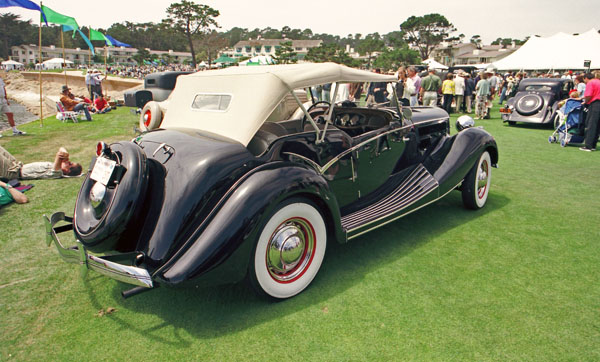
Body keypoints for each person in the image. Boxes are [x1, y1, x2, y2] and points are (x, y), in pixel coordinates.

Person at [0, 144, 82, 180]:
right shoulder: (56, 168)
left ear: (68, 171)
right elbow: (61, 148)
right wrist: (65, 153)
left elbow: (59, 154)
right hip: (15, 165)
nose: (68, 161)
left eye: (70, 164)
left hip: (12, 172)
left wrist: (64, 155)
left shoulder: (57, 173)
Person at [580, 73, 600, 152]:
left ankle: (588, 146)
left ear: (585, 78)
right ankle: (593, 145)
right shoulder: (598, 81)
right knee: (597, 125)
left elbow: (588, 95)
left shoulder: (590, 83)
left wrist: (585, 102)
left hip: (595, 104)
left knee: (591, 124)